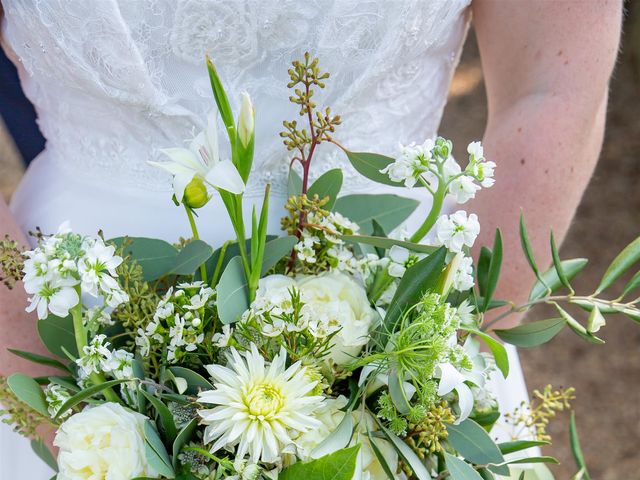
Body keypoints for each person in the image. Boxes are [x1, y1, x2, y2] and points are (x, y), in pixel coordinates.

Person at [0, 1, 623, 477]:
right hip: (63, 318)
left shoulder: (413, 372)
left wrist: (418, 378)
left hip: (401, 315)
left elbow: (554, 89)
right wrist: (67, 408)